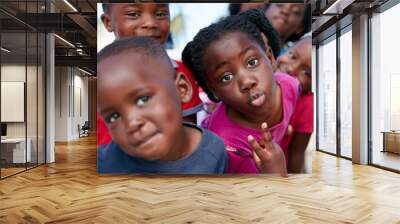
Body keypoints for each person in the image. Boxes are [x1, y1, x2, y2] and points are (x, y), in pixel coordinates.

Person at [182, 9, 300, 175]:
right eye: (226, 77)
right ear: (215, 91)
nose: (246, 82)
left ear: (271, 58)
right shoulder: (227, 147)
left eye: (252, 62)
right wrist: (276, 172)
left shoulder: (290, 86)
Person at [97, 37, 227, 174]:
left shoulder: (213, 152)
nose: (131, 124)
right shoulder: (103, 165)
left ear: (181, 89)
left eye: (143, 99)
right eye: (113, 117)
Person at [98, 3, 203, 146]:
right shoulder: (97, 76)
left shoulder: (179, 72)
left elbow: (187, 139)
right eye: (133, 14)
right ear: (108, 22)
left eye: (160, 14)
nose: (150, 23)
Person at [277, 36, 313, 173]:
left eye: (306, 73)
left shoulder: (307, 104)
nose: (292, 68)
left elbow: (296, 157)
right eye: (292, 56)